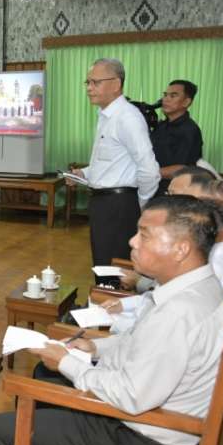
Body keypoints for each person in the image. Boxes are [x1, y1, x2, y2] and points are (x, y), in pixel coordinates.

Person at [0, 195, 223, 445]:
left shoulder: (178, 313)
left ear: (181, 249)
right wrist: (94, 349)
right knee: (45, 374)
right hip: (153, 421)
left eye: (144, 234)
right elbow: (138, 342)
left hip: (140, 442)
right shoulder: (199, 288)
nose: (132, 241)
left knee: (0, 432)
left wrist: (67, 362)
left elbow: (131, 396)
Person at [106, 169, 223, 333]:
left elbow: (158, 330)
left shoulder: (208, 268)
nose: (176, 209)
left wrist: (112, 325)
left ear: (206, 222)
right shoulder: (218, 250)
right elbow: (161, 294)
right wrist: (124, 304)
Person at [70, 58, 159, 286]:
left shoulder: (127, 117)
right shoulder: (106, 116)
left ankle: (112, 306)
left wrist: (139, 203)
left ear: (116, 84)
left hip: (118, 205)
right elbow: (110, 162)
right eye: (87, 82)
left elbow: (150, 170)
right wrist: (85, 174)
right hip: (105, 203)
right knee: (103, 265)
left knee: (114, 272)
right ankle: (105, 305)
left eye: (95, 82)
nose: (89, 88)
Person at [151, 79, 204, 196]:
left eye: (173, 96)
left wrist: (147, 173)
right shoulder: (161, 126)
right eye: (165, 95)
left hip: (172, 192)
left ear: (186, 102)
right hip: (151, 186)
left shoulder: (189, 130)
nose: (166, 99)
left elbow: (182, 169)